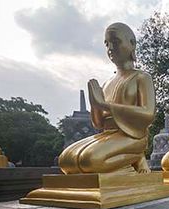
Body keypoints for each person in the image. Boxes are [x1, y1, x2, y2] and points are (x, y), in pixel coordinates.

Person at [58, 22, 154, 174]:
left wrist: (105, 105)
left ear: (132, 43)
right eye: (107, 44)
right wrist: (94, 103)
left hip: (132, 137)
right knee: (66, 160)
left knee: (89, 160)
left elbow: (148, 114)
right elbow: (98, 123)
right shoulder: (107, 83)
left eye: (115, 42)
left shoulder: (142, 77)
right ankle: (125, 161)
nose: (110, 48)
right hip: (107, 136)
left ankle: (136, 157)